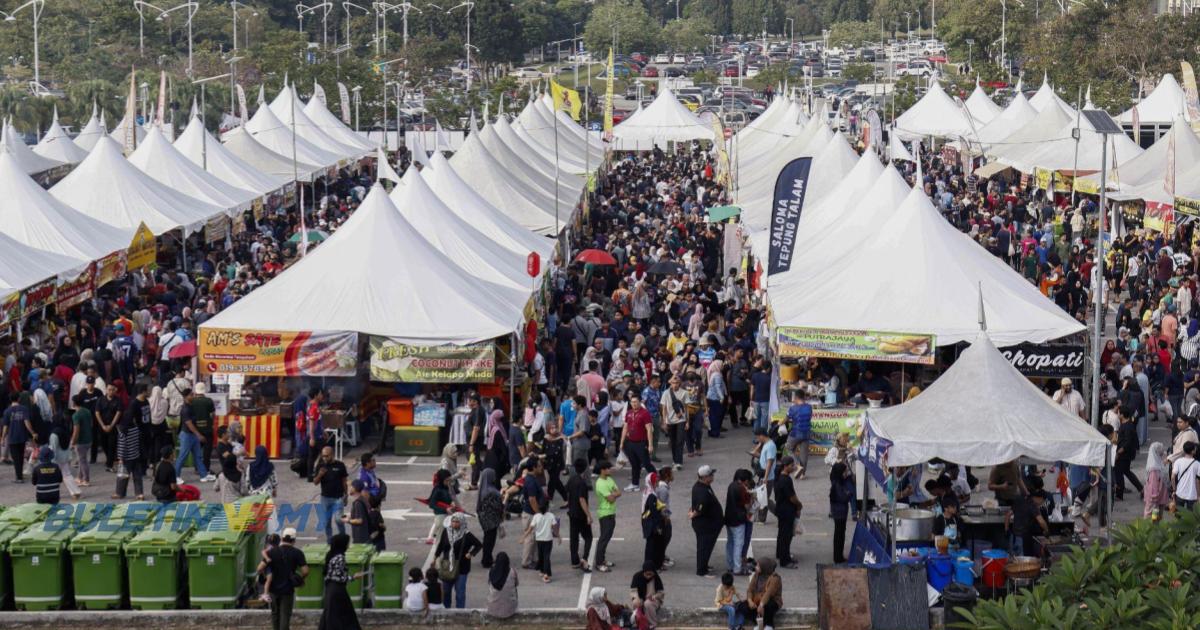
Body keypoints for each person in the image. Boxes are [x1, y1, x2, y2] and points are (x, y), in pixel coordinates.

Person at [264, 527, 309, 630]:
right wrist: (300, 579)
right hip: (288, 589)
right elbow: (305, 571)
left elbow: (260, 567)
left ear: (282, 538)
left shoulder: (272, 552)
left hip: (273, 589)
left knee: (275, 614)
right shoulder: (297, 553)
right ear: (294, 540)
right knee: (285, 615)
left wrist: (266, 576)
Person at [435, 512, 483, 608]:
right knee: (446, 591)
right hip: (447, 566)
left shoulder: (467, 535)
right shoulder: (446, 531)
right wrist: (435, 558)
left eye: (457, 522)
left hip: (462, 568)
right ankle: (446, 610)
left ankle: (460, 612)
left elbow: (479, 545)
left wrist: (471, 553)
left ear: (462, 522)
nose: (454, 524)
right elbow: (440, 546)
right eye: (453, 521)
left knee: (460, 593)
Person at [317, 533, 363, 630]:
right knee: (344, 615)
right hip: (338, 590)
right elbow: (339, 577)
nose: (348, 546)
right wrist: (354, 577)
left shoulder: (331, 555)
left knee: (330, 615)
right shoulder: (340, 558)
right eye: (347, 543)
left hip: (330, 588)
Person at [113, 385, 148, 500]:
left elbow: (122, 445)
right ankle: (139, 493)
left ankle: (120, 493)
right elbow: (137, 442)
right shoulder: (135, 429)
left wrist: (120, 458)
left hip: (127, 457)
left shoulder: (123, 431)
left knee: (123, 476)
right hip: (136, 455)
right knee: (137, 476)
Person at [174, 388, 214, 483]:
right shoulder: (185, 409)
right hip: (187, 435)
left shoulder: (190, 406)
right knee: (182, 456)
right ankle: (175, 476)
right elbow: (189, 424)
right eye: (191, 395)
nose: (193, 396)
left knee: (198, 456)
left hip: (193, 435)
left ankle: (203, 475)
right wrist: (199, 435)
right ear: (186, 397)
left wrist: (197, 435)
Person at [690, 464, 723, 577]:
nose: (713, 476)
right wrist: (693, 514)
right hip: (706, 526)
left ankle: (704, 565)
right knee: (704, 547)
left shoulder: (703, 486)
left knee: (707, 547)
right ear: (704, 477)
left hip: (709, 525)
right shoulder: (702, 491)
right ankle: (701, 570)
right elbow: (699, 508)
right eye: (710, 474)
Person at [313, 446, 349, 542]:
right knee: (327, 522)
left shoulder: (340, 465)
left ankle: (343, 538)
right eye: (323, 456)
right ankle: (329, 541)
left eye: (327, 456)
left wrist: (346, 495)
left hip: (338, 497)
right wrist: (320, 475)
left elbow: (344, 481)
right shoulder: (320, 466)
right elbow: (315, 482)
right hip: (325, 498)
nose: (324, 458)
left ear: (332, 455)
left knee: (338, 520)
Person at [621, 392, 655, 492]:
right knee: (634, 464)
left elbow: (649, 429)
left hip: (641, 443)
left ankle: (657, 480)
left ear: (640, 402)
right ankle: (635, 484)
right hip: (630, 442)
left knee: (646, 463)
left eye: (636, 402)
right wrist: (621, 442)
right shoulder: (629, 413)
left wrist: (650, 445)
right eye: (632, 402)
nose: (634, 404)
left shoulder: (645, 413)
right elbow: (625, 427)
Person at [521, 499, 560, 583]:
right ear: (547, 507)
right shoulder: (551, 516)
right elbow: (555, 528)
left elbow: (530, 529)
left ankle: (542, 570)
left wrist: (523, 537)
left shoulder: (536, 516)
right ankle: (546, 574)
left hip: (539, 539)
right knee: (546, 557)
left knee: (541, 555)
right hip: (548, 539)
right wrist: (559, 536)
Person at [566, 458, 594, 572]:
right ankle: (585, 558)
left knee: (574, 537)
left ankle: (574, 560)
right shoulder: (582, 483)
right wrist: (588, 515)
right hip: (580, 514)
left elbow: (566, 491)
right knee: (588, 537)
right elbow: (582, 499)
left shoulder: (571, 479)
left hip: (572, 513)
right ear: (585, 468)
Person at [773, 456, 801, 568]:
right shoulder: (786, 480)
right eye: (792, 465)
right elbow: (792, 497)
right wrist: (799, 505)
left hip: (781, 509)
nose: (793, 467)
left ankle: (780, 554)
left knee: (781, 534)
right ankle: (785, 560)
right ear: (785, 466)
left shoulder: (779, 478)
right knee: (786, 536)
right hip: (787, 510)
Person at [594, 460, 621, 572]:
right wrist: (613, 495)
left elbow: (619, 492)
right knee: (604, 538)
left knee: (607, 537)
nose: (610, 470)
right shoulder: (600, 483)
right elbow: (610, 499)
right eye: (608, 468)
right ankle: (599, 562)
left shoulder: (609, 479)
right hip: (605, 514)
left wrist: (613, 495)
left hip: (611, 512)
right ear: (602, 470)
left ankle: (602, 559)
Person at [724, 469, 752, 575]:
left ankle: (730, 565)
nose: (748, 483)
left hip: (729, 518)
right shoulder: (742, 489)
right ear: (744, 480)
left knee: (730, 542)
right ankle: (737, 568)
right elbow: (747, 506)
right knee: (738, 544)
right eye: (748, 481)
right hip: (738, 520)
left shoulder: (731, 485)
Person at [476, 467, 505, 568]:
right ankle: (486, 560)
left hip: (484, 518)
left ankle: (487, 558)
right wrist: (503, 499)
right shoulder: (491, 491)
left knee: (487, 539)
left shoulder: (483, 489)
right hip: (491, 520)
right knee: (490, 541)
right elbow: (497, 506)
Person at [2, 395, 34, 482]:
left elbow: (5, 426)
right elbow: (27, 422)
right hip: (22, 436)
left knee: (15, 458)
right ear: (19, 399)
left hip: (12, 437)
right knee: (20, 456)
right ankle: (20, 475)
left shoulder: (7, 411)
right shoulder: (24, 409)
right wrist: (32, 432)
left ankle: (19, 477)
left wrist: (2, 438)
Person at [745, 556, 782, 630]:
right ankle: (757, 623)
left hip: (771, 600)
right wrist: (750, 601)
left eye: (758, 566)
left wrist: (761, 605)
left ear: (764, 567)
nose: (756, 567)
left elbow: (769, 593)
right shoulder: (757, 575)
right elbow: (750, 590)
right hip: (758, 598)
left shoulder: (775, 578)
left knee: (768, 605)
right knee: (743, 606)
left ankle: (769, 625)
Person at [829, 461, 855, 564]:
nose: (846, 473)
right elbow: (844, 497)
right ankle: (838, 557)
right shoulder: (837, 485)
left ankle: (839, 555)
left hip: (840, 512)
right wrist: (849, 494)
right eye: (845, 472)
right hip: (839, 513)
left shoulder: (838, 481)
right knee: (839, 535)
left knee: (840, 534)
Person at [1114, 407, 1144, 500]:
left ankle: (1119, 495)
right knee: (1127, 472)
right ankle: (1141, 489)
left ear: (1122, 415)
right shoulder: (1126, 425)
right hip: (1126, 453)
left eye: (1118, 413)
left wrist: (1120, 451)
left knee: (1118, 473)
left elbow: (1128, 441)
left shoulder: (1127, 426)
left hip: (1125, 454)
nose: (1117, 414)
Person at [640, 471, 667, 570]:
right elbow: (654, 512)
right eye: (655, 481)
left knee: (652, 544)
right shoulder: (651, 495)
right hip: (651, 523)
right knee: (652, 545)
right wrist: (658, 526)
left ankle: (654, 565)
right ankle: (651, 566)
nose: (657, 483)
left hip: (647, 521)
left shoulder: (648, 491)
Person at [630, 561, 665, 629]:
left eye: (650, 574)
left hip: (653, 600)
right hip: (641, 599)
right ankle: (638, 622)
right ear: (643, 572)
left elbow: (661, 593)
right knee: (636, 602)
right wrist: (636, 598)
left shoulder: (656, 578)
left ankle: (652, 623)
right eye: (647, 574)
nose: (648, 576)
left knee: (647, 603)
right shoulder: (637, 576)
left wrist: (654, 596)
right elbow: (633, 590)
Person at [784, 392, 812, 477]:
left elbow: (786, 419)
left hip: (796, 432)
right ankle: (802, 473)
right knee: (804, 453)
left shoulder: (793, 408)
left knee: (788, 447)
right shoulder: (809, 407)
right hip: (807, 432)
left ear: (796, 397)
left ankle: (798, 466)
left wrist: (779, 423)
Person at [486, 551, 519, 619]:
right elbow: (516, 584)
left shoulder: (491, 571)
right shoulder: (513, 571)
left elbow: (489, 583)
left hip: (492, 608)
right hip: (510, 610)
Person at [216, 426, 244, 503]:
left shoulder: (228, 444)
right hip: (227, 470)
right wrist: (239, 453)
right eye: (227, 432)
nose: (229, 434)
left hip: (235, 468)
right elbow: (229, 457)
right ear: (223, 435)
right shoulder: (220, 446)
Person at [1144, 442, 1171, 518]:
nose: (1162, 452)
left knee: (1155, 514)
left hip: (1158, 496)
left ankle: (1154, 527)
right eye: (1161, 450)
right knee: (1153, 514)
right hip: (1156, 496)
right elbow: (1153, 484)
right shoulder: (1154, 468)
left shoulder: (1155, 463)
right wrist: (1154, 496)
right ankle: (1152, 528)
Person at [1171, 442, 1200, 511]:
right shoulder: (1197, 464)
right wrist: (1198, 495)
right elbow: (1198, 481)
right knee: (1191, 517)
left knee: (1178, 515)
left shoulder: (1178, 461)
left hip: (1180, 493)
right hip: (1192, 495)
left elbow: (1172, 477)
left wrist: (1174, 490)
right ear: (1193, 451)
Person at [344, 480, 371, 544]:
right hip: (364, 535)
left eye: (350, 487)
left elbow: (360, 520)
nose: (349, 489)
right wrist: (350, 516)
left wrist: (347, 520)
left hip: (360, 537)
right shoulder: (362, 499)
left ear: (354, 488)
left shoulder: (358, 503)